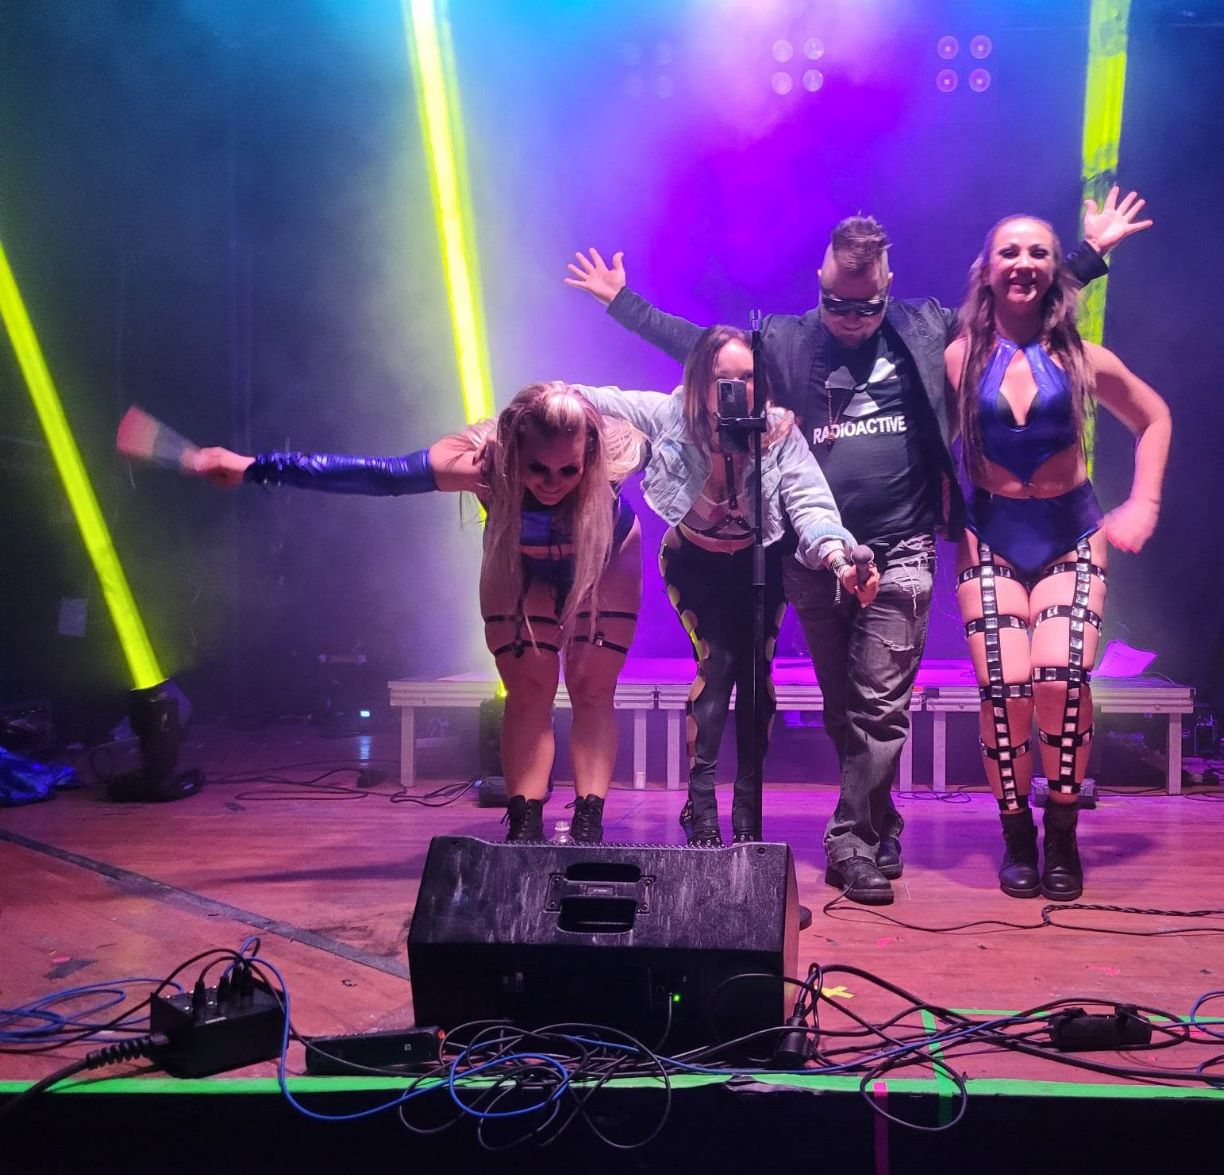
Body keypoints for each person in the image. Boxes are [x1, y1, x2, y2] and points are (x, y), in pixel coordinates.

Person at [565, 187, 1151, 904]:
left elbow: (1015, 300)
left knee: (879, 706)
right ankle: (879, 817)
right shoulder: (783, 340)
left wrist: (1089, 255)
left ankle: (851, 843)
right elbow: (707, 353)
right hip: (812, 551)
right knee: (845, 707)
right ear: (820, 286)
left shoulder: (928, 329)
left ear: (888, 290)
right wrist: (625, 304)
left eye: (866, 306)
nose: (852, 319)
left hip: (900, 543)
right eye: (840, 305)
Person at [186, 383, 645, 845]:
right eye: (538, 469)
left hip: (605, 560)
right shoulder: (482, 470)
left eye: (569, 470)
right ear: (512, 454)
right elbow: (378, 476)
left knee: (591, 687)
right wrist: (254, 468)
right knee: (528, 689)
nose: (552, 483)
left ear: (589, 456)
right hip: (518, 560)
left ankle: (589, 823)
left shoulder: (610, 467)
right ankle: (524, 826)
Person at [573, 324, 878, 846]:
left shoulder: (779, 431)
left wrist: (838, 559)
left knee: (756, 681)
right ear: (698, 381)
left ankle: (745, 810)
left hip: (759, 569)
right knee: (717, 668)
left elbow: (811, 505)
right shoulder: (670, 415)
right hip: (694, 563)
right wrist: (542, 409)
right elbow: (589, 398)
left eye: (746, 378)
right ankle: (703, 805)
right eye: (720, 379)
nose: (733, 390)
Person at [945, 214, 1171, 901]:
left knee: (1059, 678)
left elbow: (1155, 416)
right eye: (1008, 252)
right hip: (991, 535)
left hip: (1071, 531)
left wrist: (1145, 504)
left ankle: (1063, 833)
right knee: (1006, 687)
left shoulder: (1084, 357)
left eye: (1038, 253)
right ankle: (1016, 834)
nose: (1023, 263)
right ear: (984, 269)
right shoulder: (958, 356)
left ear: (1055, 269)